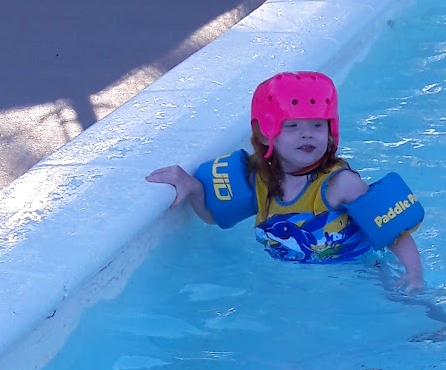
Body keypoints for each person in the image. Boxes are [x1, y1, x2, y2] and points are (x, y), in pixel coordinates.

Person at [146, 71, 424, 289]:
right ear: (265, 133)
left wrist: (414, 273)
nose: (307, 134)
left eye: (317, 125)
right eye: (292, 125)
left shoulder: (341, 184)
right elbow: (212, 217)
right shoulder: (257, 180)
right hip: (291, 286)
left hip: (359, 277)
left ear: (331, 130)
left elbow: (394, 231)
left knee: (412, 308)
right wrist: (194, 188)